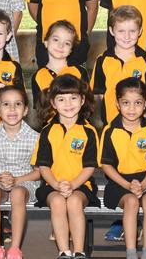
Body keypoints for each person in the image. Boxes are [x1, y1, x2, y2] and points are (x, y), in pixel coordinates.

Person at [33, 75, 99, 259]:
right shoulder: (47, 131)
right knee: (57, 201)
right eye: (61, 99)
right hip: (51, 185)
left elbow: (89, 167)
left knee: (74, 201)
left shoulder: (89, 131)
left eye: (73, 98)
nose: (68, 104)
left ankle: (78, 252)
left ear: (82, 100)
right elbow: (43, 167)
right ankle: (63, 251)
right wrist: (56, 185)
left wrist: (72, 185)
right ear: (53, 103)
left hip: (81, 185)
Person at [100, 78, 146, 259]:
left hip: (145, 179)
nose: (132, 109)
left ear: (145, 104)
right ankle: (131, 253)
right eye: (126, 103)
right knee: (132, 202)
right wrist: (128, 186)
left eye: (137, 103)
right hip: (118, 182)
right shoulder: (110, 131)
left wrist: (143, 184)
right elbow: (107, 165)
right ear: (117, 104)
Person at [0, 86, 40, 259]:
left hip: (25, 181)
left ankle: (14, 248)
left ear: (26, 109)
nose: (12, 109)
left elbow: (38, 172)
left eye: (18, 104)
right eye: (6, 104)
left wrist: (17, 180)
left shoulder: (35, 137)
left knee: (17, 194)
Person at [91, 5, 146, 125]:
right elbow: (98, 94)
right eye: (121, 31)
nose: (127, 36)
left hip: (140, 124)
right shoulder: (103, 59)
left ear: (140, 31)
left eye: (132, 31)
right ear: (111, 31)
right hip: (111, 122)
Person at [32, 20, 89, 107]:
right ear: (46, 42)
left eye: (67, 43)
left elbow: (87, 105)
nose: (60, 45)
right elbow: (40, 110)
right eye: (56, 40)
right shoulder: (38, 76)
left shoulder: (79, 72)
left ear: (71, 50)